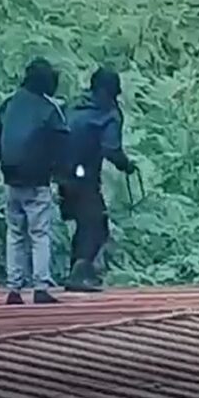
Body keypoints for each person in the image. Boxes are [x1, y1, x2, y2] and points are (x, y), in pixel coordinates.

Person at [0, 57, 69, 305]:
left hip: (11, 181)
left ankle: (14, 290)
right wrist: (57, 173)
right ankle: (41, 287)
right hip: (37, 182)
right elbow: (62, 143)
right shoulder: (48, 109)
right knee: (39, 233)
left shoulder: (8, 105)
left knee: (15, 234)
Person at [58, 67, 137, 292]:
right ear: (111, 92)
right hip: (86, 177)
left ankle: (77, 271)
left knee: (85, 224)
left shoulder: (71, 106)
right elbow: (111, 149)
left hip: (61, 175)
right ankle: (80, 276)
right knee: (96, 227)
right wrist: (126, 165)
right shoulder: (109, 113)